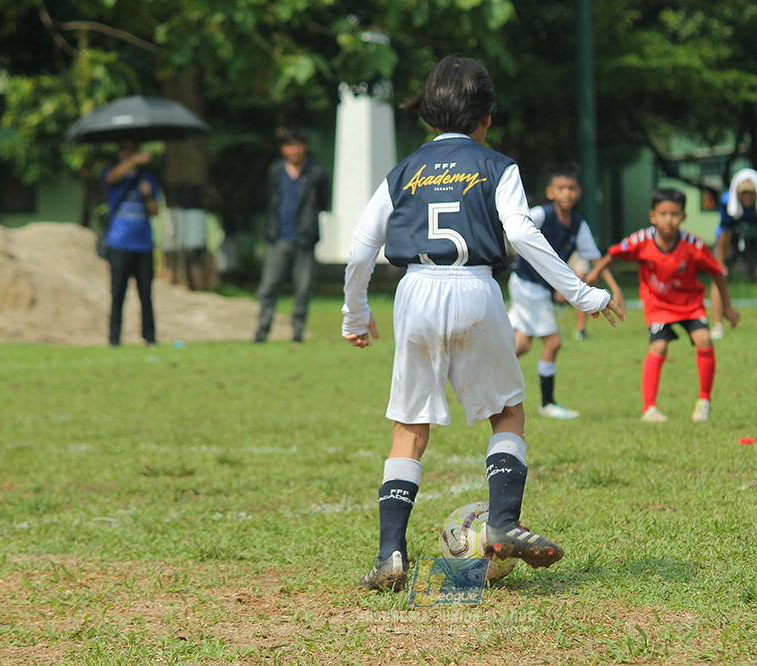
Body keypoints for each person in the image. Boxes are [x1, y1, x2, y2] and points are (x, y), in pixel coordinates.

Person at [341, 55, 624, 591]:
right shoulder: (499, 166)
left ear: (428, 117)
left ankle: (390, 556)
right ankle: (503, 522)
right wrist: (582, 293)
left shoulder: (401, 172)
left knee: (410, 427)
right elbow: (520, 235)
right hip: (476, 287)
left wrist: (355, 314)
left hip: (415, 292)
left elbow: (360, 251)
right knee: (508, 412)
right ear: (487, 116)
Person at [587, 188, 739, 422]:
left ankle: (704, 401)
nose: (669, 220)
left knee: (705, 340)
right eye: (664, 214)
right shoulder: (641, 240)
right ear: (653, 216)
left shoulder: (692, 244)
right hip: (658, 305)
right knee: (659, 348)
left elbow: (717, 272)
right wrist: (596, 271)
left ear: (684, 217)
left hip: (690, 303)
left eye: (675, 214)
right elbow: (614, 253)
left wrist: (727, 307)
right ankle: (649, 408)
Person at [508, 163, 625, 420]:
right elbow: (514, 228)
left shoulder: (578, 224)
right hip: (527, 284)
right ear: (550, 192)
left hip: (534, 288)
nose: (567, 194)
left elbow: (595, 258)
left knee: (523, 344)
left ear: (579, 192)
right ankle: (547, 403)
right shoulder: (540, 215)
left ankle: (487, 370)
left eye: (571, 188)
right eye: (561, 188)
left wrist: (615, 288)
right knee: (553, 341)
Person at [254, 127, 331, 344]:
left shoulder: (316, 173)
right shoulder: (275, 172)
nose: (294, 150)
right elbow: (269, 199)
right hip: (278, 237)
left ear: (304, 147)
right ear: (284, 149)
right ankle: (262, 331)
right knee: (269, 287)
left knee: (303, 289)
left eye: (298, 145)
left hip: (304, 239)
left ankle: (297, 333)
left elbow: (323, 201)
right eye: (290, 146)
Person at [102, 139, 160, 347]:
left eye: (133, 151)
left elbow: (155, 210)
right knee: (118, 294)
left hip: (143, 245)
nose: (130, 154)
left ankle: (150, 338)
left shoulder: (148, 179)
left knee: (146, 295)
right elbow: (112, 177)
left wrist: (147, 195)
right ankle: (114, 339)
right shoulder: (113, 175)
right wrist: (135, 159)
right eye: (126, 151)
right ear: (121, 154)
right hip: (119, 244)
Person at [710, 168, 757, 339]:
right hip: (730, 239)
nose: (747, 197)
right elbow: (725, 233)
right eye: (743, 193)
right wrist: (720, 261)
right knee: (718, 276)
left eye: (751, 193)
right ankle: (717, 325)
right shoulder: (726, 201)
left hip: (755, 240)